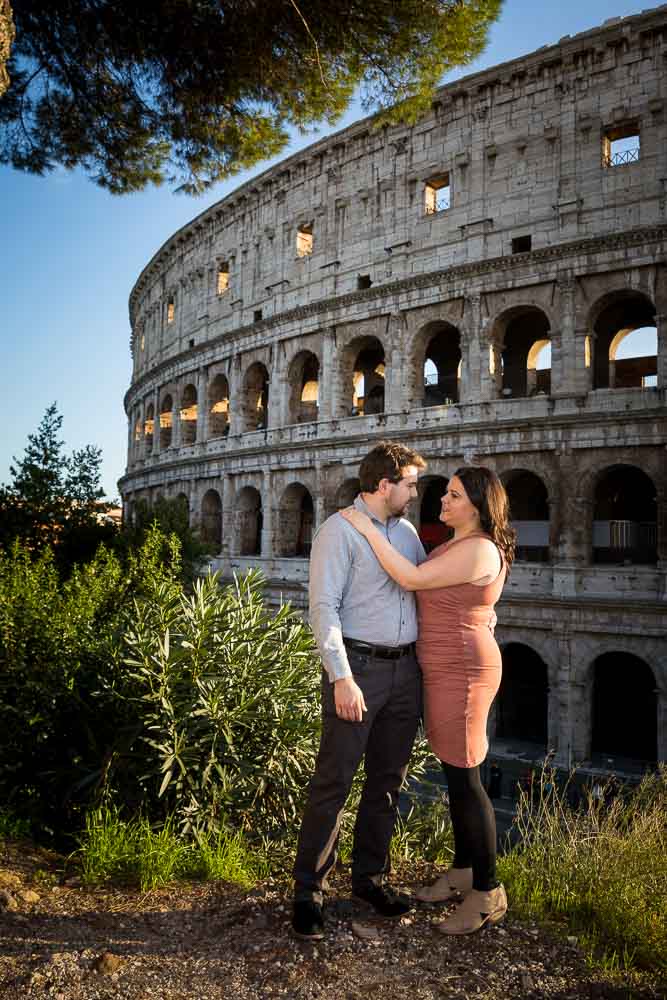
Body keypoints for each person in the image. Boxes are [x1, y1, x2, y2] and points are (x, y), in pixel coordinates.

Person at [341, 465, 515, 935]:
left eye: (454, 495)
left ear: (477, 505)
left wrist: (364, 528)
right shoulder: (462, 544)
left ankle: (487, 890)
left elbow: (412, 579)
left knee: (466, 779)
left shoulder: (479, 548)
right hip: (444, 667)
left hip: (461, 670)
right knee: (455, 772)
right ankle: (463, 871)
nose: (443, 499)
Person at [292, 441, 427, 940]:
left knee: (387, 782)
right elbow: (323, 608)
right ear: (385, 484)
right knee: (334, 782)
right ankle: (308, 892)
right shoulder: (337, 531)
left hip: (404, 672)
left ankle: (369, 881)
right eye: (410, 483)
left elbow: (420, 587)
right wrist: (341, 676)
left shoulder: (409, 534)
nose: (415, 492)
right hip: (360, 669)